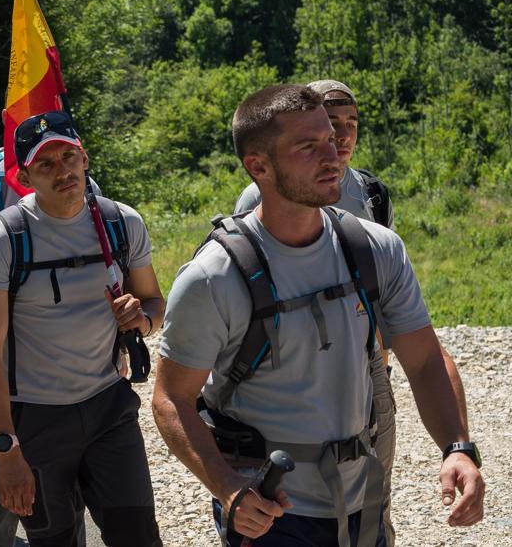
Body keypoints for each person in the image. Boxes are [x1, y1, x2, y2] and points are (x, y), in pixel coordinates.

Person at [153, 84, 484, 547]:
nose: (333, 156)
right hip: (270, 512)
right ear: (258, 166)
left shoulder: (375, 248)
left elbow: (425, 360)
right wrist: (229, 490)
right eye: (308, 147)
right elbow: (170, 399)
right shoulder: (214, 277)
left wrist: (457, 447)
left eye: (330, 139)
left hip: (363, 498)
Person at [0, 112, 164, 546]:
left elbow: (155, 304)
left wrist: (142, 317)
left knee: (140, 539)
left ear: (84, 156)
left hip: (109, 409)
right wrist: (6, 449)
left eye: (68, 156)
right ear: (25, 176)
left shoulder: (120, 224)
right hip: (35, 419)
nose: (63, 171)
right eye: (46, 164)